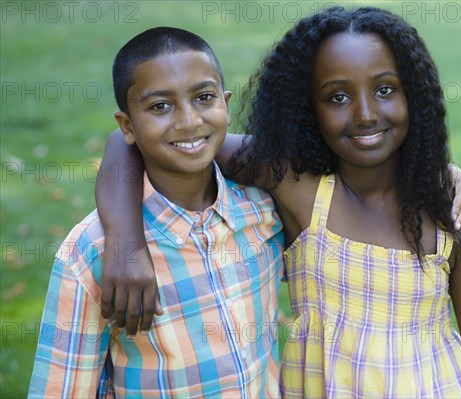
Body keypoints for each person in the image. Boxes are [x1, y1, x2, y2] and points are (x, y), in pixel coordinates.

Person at [229, 7, 461, 398]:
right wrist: (124, 225)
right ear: (305, 109)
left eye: (384, 90)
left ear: (412, 94)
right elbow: (170, 141)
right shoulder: (298, 190)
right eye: (338, 97)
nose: (365, 115)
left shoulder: (451, 212)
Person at [29, 27, 283, 398]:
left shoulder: (264, 210)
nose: (188, 121)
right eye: (160, 106)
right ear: (127, 126)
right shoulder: (93, 252)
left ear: (226, 105)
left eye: (204, 97)